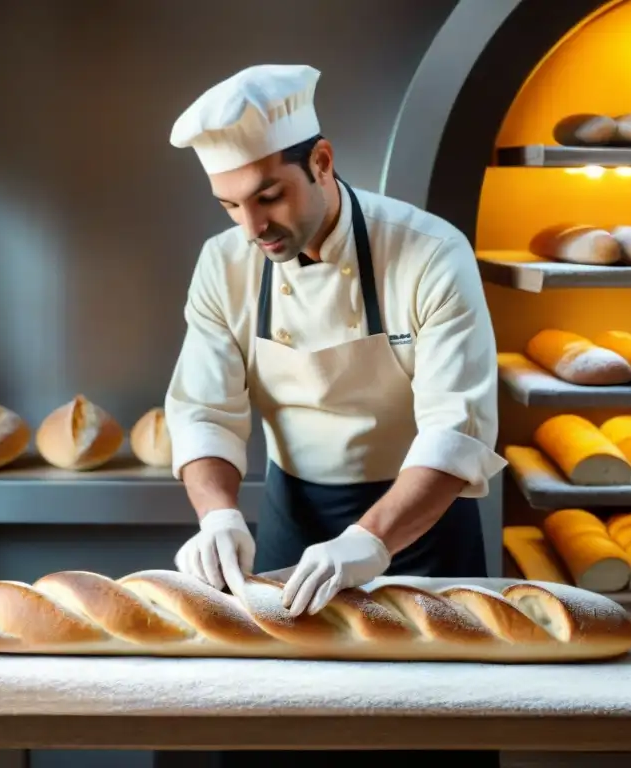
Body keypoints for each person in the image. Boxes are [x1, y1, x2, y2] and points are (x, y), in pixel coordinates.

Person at [165, 63, 505, 616]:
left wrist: (368, 542)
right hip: (292, 519)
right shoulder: (223, 264)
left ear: (321, 162)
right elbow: (204, 411)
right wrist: (218, 515)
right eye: (230, 206)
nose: (252, 228)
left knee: (438, 696)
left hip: (423, 526)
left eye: (268, 196)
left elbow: (454, 432)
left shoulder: (430, 254)